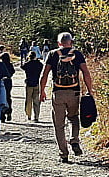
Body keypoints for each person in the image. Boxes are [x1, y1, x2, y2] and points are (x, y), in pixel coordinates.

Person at [39, 32, 94, 163]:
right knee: (73, 118)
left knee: (59, 125)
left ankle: (63, 154)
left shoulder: (52, 54)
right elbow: (86, 73)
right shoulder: (77, 54)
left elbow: (44, 74)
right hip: (74, 92)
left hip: (58, 93)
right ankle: (74, 140)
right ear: (71, 42)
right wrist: (90, 90)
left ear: (59, 43)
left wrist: (42, 91)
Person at [21, 51, 43, 121]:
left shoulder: (27, 64)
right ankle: (36, 116)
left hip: (29, 83)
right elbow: (42, 65)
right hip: (36, 83)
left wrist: (26, 60)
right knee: (36, 101)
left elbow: (22, 66)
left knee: (28, 100)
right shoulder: (39, 64)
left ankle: (29, 115)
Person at [0, 52, 16, 122]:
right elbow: (13, 71)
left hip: (2, 81)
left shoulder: (1, 65)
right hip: (8, 81)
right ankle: (9, 112)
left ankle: (2, 114)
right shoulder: (10, 65)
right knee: (8, 96)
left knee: (1, 97)